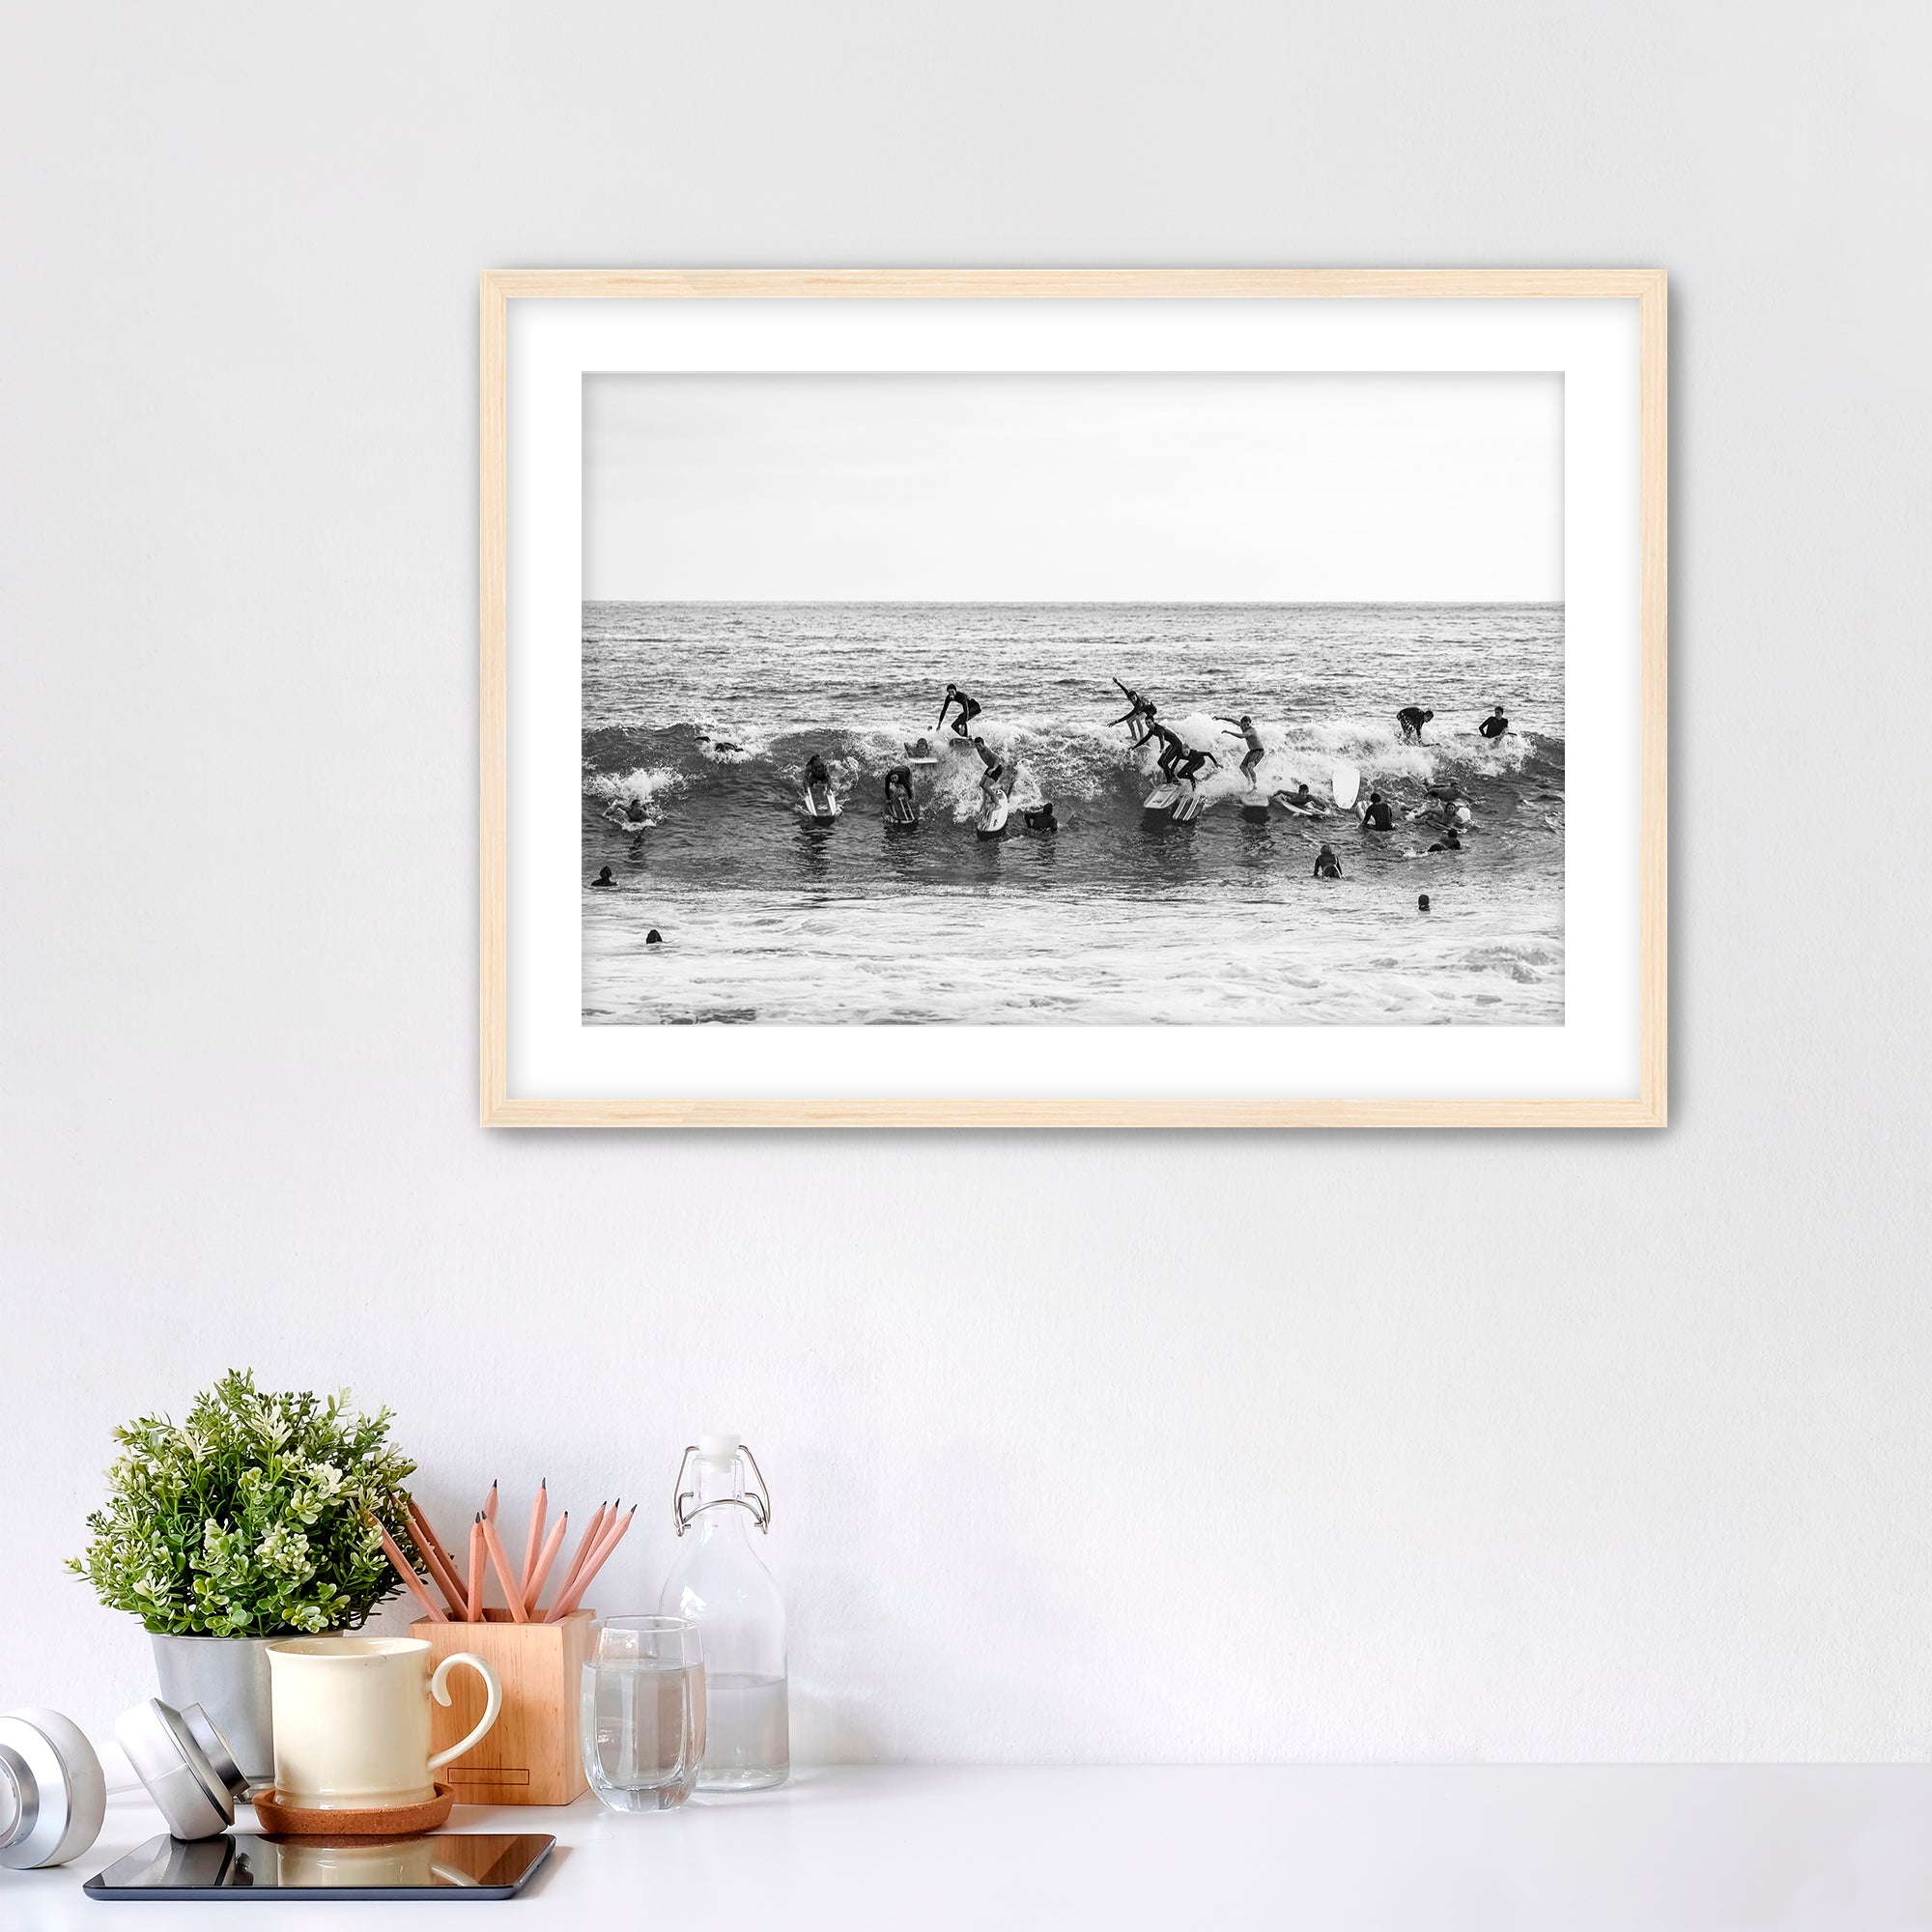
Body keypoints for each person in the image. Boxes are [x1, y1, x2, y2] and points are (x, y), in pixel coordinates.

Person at [1216, 714, 1266, 786]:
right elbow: (1231, 720)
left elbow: (1242, 736)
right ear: (1242, 724)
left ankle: (1255, 786)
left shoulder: (1251, 730)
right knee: (1242, 767)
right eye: (1245, 724)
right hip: (1252, 751)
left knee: (1250, 767)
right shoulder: (1242, 726)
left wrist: (1229, 732)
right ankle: (1249, 782)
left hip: (1259, 751)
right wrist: (1220, 718)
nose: (1246, 726)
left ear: (1250, 723)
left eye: (1248, 724)